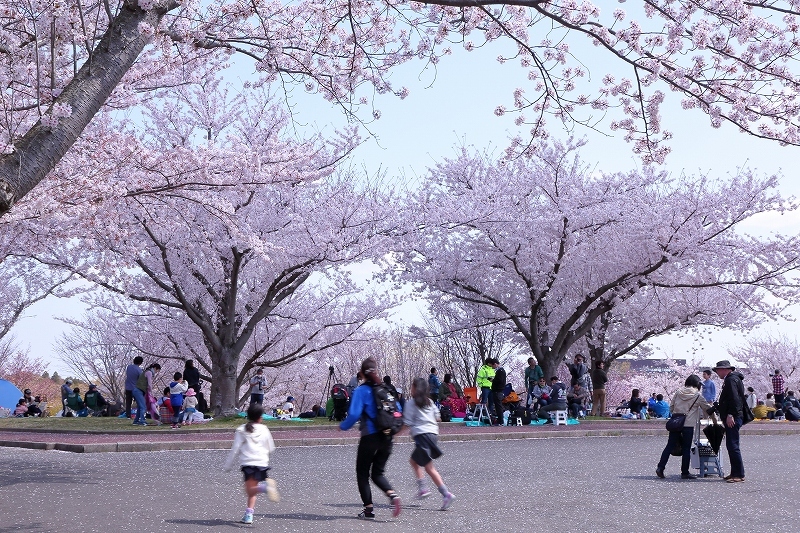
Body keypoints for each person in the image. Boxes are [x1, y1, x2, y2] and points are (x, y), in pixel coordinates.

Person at [339, 357, 402, 520]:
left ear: (362, 373)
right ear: (376, 371)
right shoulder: (386, 389)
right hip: (388, 436)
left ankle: (368, 510)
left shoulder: (361, 390)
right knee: (377, 473)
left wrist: (343, 426)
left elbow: (353, 414)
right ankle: (393, 495)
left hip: (370, 436)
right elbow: (398, 410)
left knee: (362, 473)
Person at [403, 377, 456, 511]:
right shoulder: (430, 402)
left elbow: (406, 423)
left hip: (422, 436)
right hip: (432, 435)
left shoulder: (411, 403)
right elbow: (438, 417)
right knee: (417, 463)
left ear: (415, 388)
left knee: (428, 467)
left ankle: (443, 493)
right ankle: (425, 489)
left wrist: (393, 434)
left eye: (412, 386)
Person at [223, 403, 279, 525]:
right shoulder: (264, 429)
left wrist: (228, 465)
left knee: (250, 490)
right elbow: (271, 448)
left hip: (249, 463)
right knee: (251, 491)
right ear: (260, 417)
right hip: (262, 463)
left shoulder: (241, 429)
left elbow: (235, 449)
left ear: (248, 416)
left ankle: (265, 488)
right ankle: (248, 515)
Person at [656, 374, 713, 480]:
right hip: (688, 425)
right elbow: (707, 408)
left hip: (676, 424)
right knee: (686, 448)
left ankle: (660, 467)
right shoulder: (697, 396)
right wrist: (713, 419)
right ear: (697, 384)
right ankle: (685, 472)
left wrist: (678, 415)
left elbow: (671, 407)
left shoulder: (678, 392)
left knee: (669, 446)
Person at [713, 360, 746, 483]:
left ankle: (738, 474)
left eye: (718, 370)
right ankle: (735, 472)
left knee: (733, 445)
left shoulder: (730, 380)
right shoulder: (734, 379)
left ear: (725, 369)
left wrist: (731, 414)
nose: (717, 372)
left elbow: (734, 398)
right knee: (731, 445)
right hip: (734, 415)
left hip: (733, 416)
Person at [490, 359, 506, 424]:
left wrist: (493, 380)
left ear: (495, 364)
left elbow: (500, 381)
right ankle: (500, 420)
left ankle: (500, 421)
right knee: (498, 406)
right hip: (498, 391)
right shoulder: (500, 371)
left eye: (492, 366)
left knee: (498, 406)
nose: (492, 367)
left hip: (498, 391)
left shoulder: (500, 371)